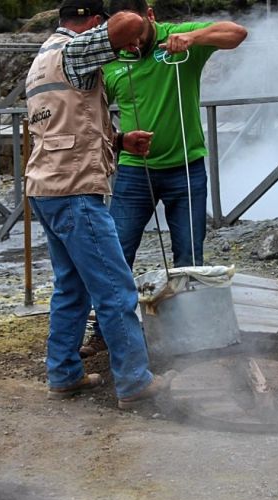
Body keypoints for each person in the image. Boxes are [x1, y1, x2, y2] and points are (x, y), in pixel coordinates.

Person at [24, 0, 173, 409]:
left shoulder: (43, 57)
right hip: (75, 191)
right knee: (114, 287)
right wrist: (144, 24)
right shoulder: (74, 50)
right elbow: (125, 24)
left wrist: (121, 141)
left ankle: (64, 373)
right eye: (101, 26)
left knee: (71, 289)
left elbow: (66, 122)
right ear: (92, 21)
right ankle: (134, 382)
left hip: (47, 188)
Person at [79, 0, 247, 358]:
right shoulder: (109, 59)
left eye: (136, 35)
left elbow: (237, 33)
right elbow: (91, 120)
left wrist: (193, 37)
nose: (131, 45)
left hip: (187, 168)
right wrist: (121, 139)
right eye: (123, 38)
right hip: (134, 172)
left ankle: (192, 335)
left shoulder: (178, 39)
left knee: (189, 253)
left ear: (151, 16)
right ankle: (105, 332)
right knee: (116, 253)